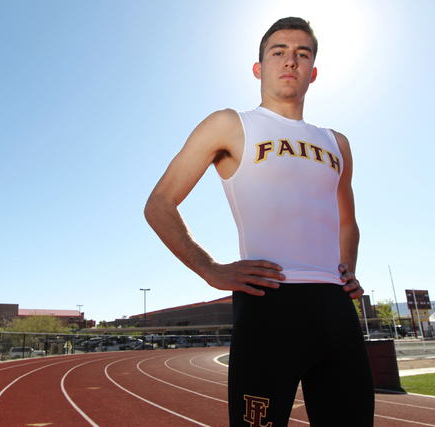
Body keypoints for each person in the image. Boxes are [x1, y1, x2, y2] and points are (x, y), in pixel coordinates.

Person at [144, 16, 374, 427]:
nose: (291, 61)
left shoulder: (336, 142)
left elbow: (348, 220)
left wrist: (348, 269)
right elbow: (159, 203)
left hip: (337, 311)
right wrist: (209, 269)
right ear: (259, 67)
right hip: (269, 305)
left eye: (302, 54)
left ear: (313, 72)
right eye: (279, 52)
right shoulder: (230, 125)